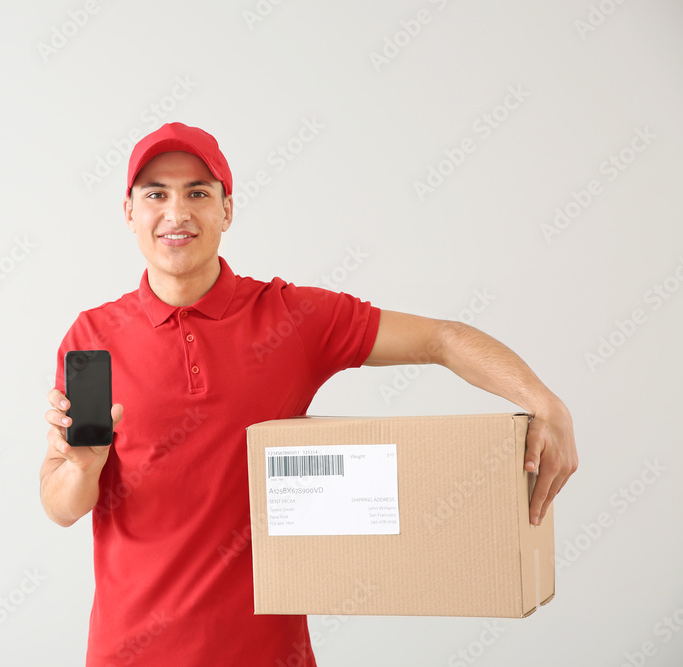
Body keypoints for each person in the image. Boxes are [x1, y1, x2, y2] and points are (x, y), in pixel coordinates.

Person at [40, 122, 578, 666]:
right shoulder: (93, 338)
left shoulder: (290, 319)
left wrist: (545, 403)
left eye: (198, 193)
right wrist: (83, 470)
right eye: (155, 193)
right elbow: (59, 506)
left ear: (226, 211)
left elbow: (443, 339)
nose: (176, 213)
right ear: (129, 212)